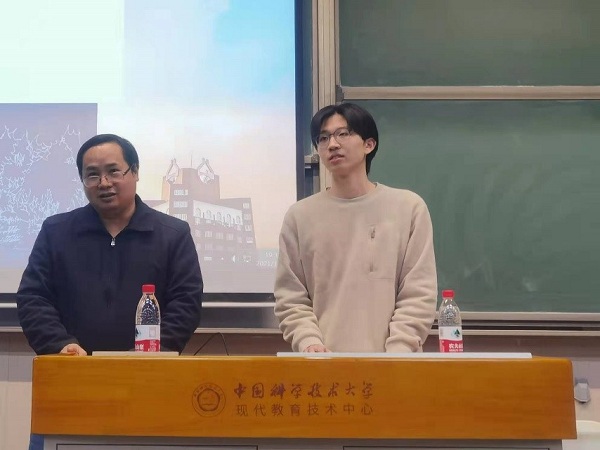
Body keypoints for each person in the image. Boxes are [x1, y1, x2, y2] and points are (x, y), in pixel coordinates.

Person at [17, 134, 203, 356]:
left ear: (135, 172)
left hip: (148, 367)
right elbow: (33, 297)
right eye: (92, 175)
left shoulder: (173, 235)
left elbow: (185, 303)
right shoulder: (56, 232)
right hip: (73, 365)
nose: (104, 183)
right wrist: (59, 344)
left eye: (114, 171)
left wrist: (150, 354)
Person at [274, 103, 437, 353]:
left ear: (369, 144)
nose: (332, 144)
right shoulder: (300, 216)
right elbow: (290, 296)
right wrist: (309, 343)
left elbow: (418, 293)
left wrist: (399, 350)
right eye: (323, 138)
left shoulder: (408, 208)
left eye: (343, 134)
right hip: (323, 364)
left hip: (395, 363)